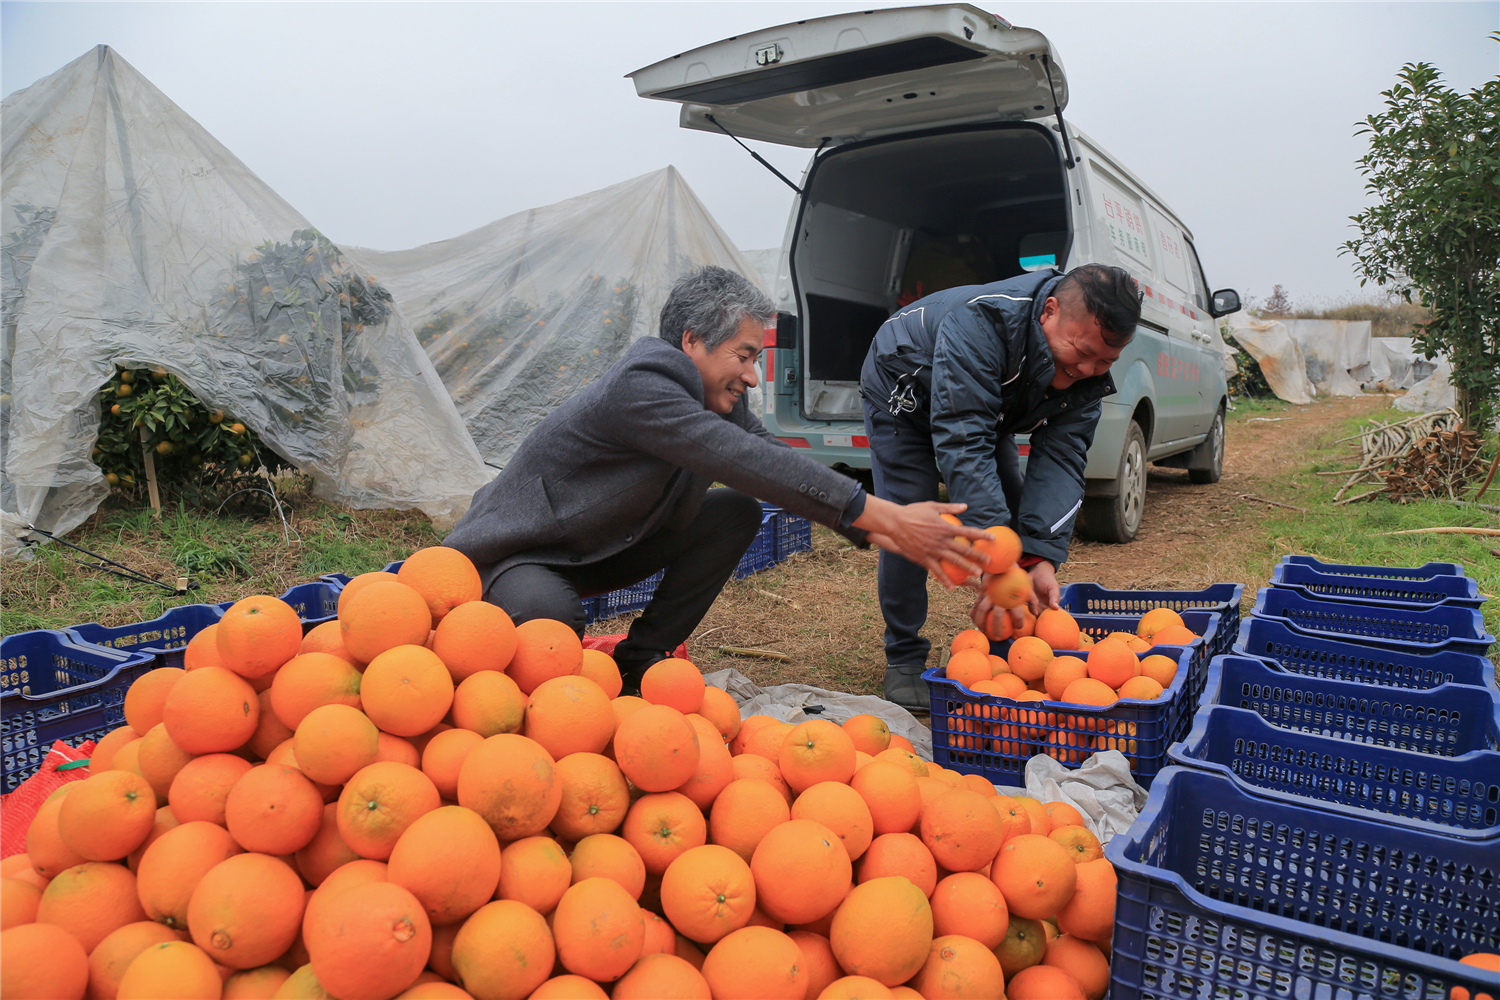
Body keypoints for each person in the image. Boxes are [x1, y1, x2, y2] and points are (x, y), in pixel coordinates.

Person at [445, 265, 990, 694]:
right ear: (691, 342)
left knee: (735, 512)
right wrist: (883, 513)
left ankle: (640, 666)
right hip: (519, 556)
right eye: (744, 355)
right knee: (551, 621)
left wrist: (884, 530)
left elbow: (767, 454)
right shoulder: (643, 384)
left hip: (598, 545)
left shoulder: (712, 394)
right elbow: (734, 456)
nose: (753, 374)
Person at [860, 263, 1142, 708]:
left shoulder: (1084, 374)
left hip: (985, 403)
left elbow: (1062, 459)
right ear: (1049, 311)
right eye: (1081, 351)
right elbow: (963, 440)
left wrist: (1039, 556)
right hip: (905, 387)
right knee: (911, 518)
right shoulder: (984, 321)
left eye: (1106, 361)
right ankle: (904, 656)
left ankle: (1010, 644)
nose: (1089, 368)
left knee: (1014, 516)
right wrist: (998, 561)